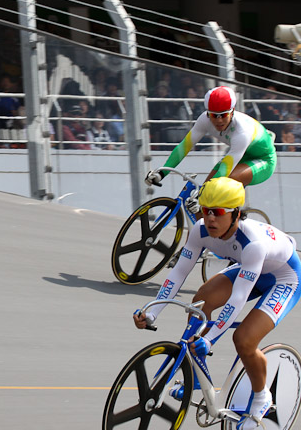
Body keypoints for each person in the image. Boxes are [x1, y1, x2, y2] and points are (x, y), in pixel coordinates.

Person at [133, 177, 301, 429]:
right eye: (205, 211)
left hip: (283, 278)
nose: (210, 219)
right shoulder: (199, 231)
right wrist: (154, 312)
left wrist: (210, 339)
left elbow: (238, 298)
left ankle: (262, 396)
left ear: (235, 214)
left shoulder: (253, 243)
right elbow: (178, 273)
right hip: (250, 269)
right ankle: (198, 376)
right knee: (201, 302)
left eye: (218, 212)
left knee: (244, 339)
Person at [145, 86, 277, 214]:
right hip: (241, 155)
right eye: (214, 115)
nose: (219, 120)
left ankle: (232, 227)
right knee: (201, 200)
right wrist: (162, 173)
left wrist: (202, 196)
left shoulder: (242, 131)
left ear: (232, 111)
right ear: (208, 113)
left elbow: (227, 166)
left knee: (224, 182)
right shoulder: (204, 119)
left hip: (263, 160)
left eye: (224, 115)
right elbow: (184, 147)